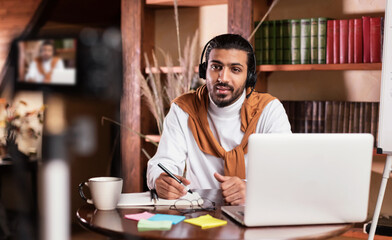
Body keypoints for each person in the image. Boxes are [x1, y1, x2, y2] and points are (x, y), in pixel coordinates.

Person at [146, 34, 291, 205]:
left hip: (256, 210)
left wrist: (251, 189)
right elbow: (164, 162)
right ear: (204, 70)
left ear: (249, 77)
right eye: (216, 67)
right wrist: (159, 179)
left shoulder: (269, 110)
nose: (223, 78)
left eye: (235, 69)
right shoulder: (183, 109)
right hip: (199, 213)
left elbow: (285, 172)